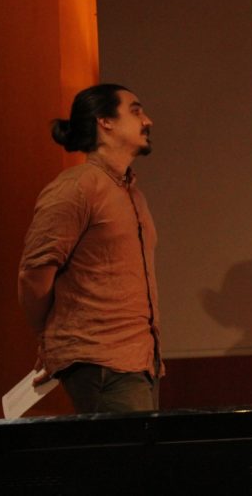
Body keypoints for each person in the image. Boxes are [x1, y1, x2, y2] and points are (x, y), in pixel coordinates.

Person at [18, 84, 163, 413]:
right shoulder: (77, 187)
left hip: (139, 361)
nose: (147, 121)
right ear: (105, 122)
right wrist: (48, 338)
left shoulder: (132, 194)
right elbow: (33, 276)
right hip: (100, 361)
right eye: (136, 111)